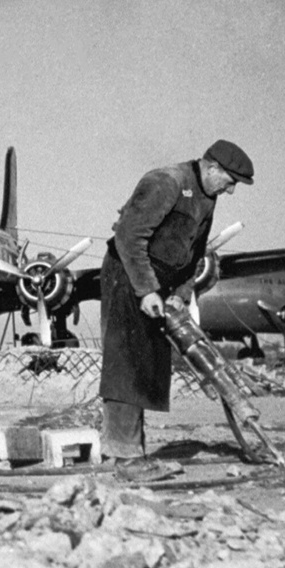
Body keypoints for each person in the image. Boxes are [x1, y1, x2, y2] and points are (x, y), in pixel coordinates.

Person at [99, 139, 253, 460]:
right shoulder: (167, 182)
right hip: (129, 272)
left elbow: (196, 253)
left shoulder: (207, 196)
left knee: (146, 367)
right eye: (230, 181)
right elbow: (129, 236)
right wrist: (146, 290)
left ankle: (130, 451)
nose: (231, 191)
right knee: (127, 363)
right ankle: (124, 456)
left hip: (159, 284)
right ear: (212, 168)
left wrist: (181, 295)